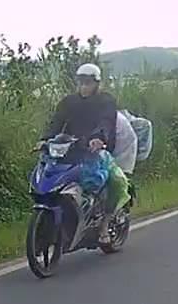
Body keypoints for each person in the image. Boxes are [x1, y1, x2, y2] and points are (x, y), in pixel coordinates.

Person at [40, 63, 119, 243]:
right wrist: (45, 139)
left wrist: (99, 138)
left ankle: (104, 226)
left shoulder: (106, 101)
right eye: (81, 82)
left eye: (88, 83)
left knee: (114, 181)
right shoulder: (69, 102)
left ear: (97, 84)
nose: (84, 86)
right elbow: (56, 122)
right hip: (70, 149)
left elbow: (106, 121)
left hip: (97, 149)